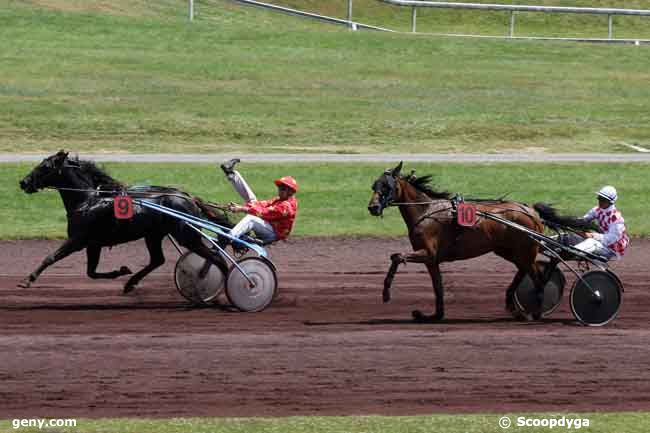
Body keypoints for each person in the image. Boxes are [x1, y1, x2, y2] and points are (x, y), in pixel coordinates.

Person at [220, 158, 298, 244]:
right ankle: (232, 174)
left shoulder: (286, 206)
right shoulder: (281, 199)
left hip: (273, 234)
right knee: (253, 201)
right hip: (268, 226)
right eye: (279, 187)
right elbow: (263, 205)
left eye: (283, 189)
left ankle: (229, 237)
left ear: (291, 192)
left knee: (251, 219)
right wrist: (243, 207)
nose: (279, 190)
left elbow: (264, 213)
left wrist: (242, 209)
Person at [570, 185, 629, 260]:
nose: (600, 201)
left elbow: (610, 239)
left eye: (603, 200)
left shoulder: (617, 219)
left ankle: (570, 252)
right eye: (599, 198)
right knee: (571, 236)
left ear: (610, 202)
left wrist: (592, 235)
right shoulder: (597, 210)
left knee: (591, 242)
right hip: (602, 243)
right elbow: (583, 220)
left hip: (612, 250)